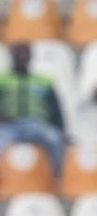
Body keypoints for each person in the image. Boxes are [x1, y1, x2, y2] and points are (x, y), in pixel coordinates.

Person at [0, 42, 66, 173]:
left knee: (55, 139)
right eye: (19, 54)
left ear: (30, 57)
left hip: (36, 125)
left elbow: (56, 109)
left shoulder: (44, 81)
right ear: (12, 57)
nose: (22, 58)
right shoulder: (3, 80)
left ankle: (54, 177)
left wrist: (61, 130)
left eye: (25, 54)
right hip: (9, 126)